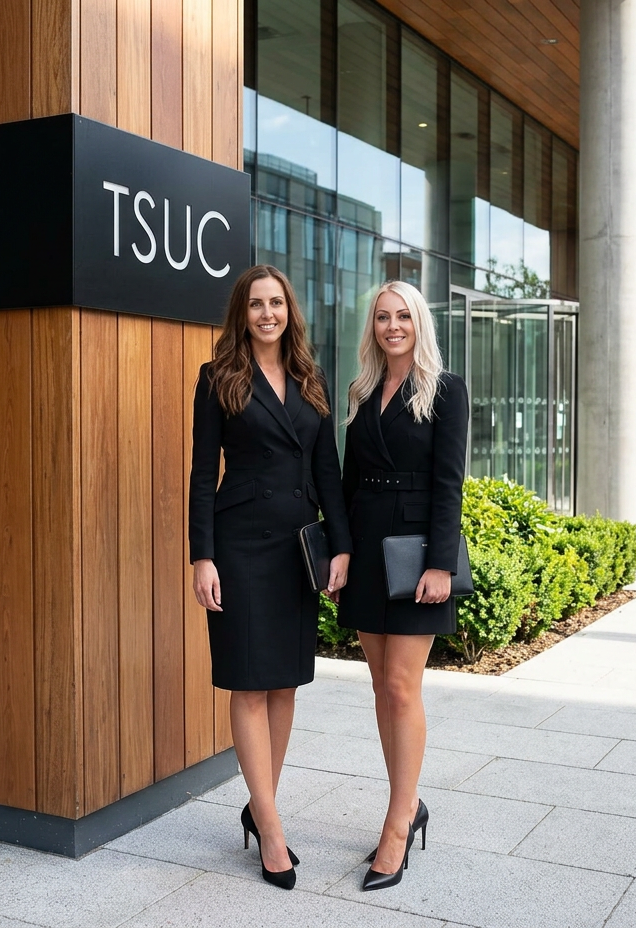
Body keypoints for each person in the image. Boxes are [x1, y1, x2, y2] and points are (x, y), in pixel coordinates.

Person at [188, 265, 352, 890]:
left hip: (295, 548)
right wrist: (202, 556)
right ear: (242, 313)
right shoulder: (218, 379)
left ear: (290, 311)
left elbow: (329, 472)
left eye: (276, 302)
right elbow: (204, 475)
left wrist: (339, 548)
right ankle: (274, 833)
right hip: (238, 545)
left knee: (283, 684)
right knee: (248, 685)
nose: (267, 313)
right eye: (255, 304)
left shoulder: (311, 379)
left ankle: (262, 810)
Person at [335, 281, 468, 891]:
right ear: (374, 327)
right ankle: (407, 805)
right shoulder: (362, 392)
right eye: (383, 317)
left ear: (420, 323)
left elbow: (449, 484)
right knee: (380, 690)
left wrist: (441, 563)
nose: (393, 326)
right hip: (366, 550)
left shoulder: (445, 391)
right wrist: (339, 550)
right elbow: (345, 478)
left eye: (403, 316)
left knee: (401, 685)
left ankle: (397, 824)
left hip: (416, 555)